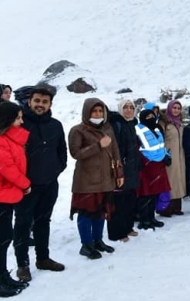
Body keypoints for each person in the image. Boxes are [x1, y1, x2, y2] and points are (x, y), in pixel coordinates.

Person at [12, 86, 67, 282]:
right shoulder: (19, 124)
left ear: (50, 104)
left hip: (50, 184)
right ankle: (22, 265)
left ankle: (43, 259)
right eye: (37, 101)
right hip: (25, 186)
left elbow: (62, 151)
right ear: (29, 101)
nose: (40, 105)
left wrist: (56, 169)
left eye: (44, 102)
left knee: (43, 222)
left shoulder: (56, 125)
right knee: (23, 224)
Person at [68, 98, 122, 259]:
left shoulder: (107, 129)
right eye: (94, 111)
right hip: (86, 180)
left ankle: (98, 240)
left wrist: (119, 173)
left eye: (100, 111)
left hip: (106, 178)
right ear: (87, 112)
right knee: (86, 213)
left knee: (101, 211)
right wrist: (98, 145)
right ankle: (86, 244)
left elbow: (115, 152)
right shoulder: (78, 130)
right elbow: (76, 153)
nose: (98, 114)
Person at [0, 101, 31, 297]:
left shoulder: (10, 138)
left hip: (7, 194)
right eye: (18, 118)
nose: (21, 121)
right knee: (1, 238)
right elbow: (7, 168)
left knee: (4, 238)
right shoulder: (2, 141)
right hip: (3, 194)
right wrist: (25, 184)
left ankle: (3, 275)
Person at [107, 100, 141, 242]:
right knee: (118, 202)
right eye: (125, 107)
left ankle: (128, 227)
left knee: (129, 200)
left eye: (131, 107)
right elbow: (115, 148)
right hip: (120, 167)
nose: (128, 110)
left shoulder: (132, 123)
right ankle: (117, 232)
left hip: (132, 167)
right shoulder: (116, 124)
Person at [134, 109, 171, 230]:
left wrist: (166, 156)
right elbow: (137, 148)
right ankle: (144, 219)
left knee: (154, 193)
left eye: (152, 116)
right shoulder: (138, 130)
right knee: (145, 194)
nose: (150, 118)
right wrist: (143, 161)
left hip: (158, 165)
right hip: (146, 166)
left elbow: (161, 145)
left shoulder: (156, 129)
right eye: (147, 116)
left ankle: (151, 217)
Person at [160, 100, 187, 215]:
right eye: (174, 108)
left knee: (179, 180)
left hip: (180, 155)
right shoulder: (164, 123)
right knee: (170, 181)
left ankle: (177, 207)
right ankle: (166, 208)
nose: (176, 110)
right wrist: (164, 154)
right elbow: (160, 140)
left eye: (178, 108)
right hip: (169, 156)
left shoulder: (180, 123)